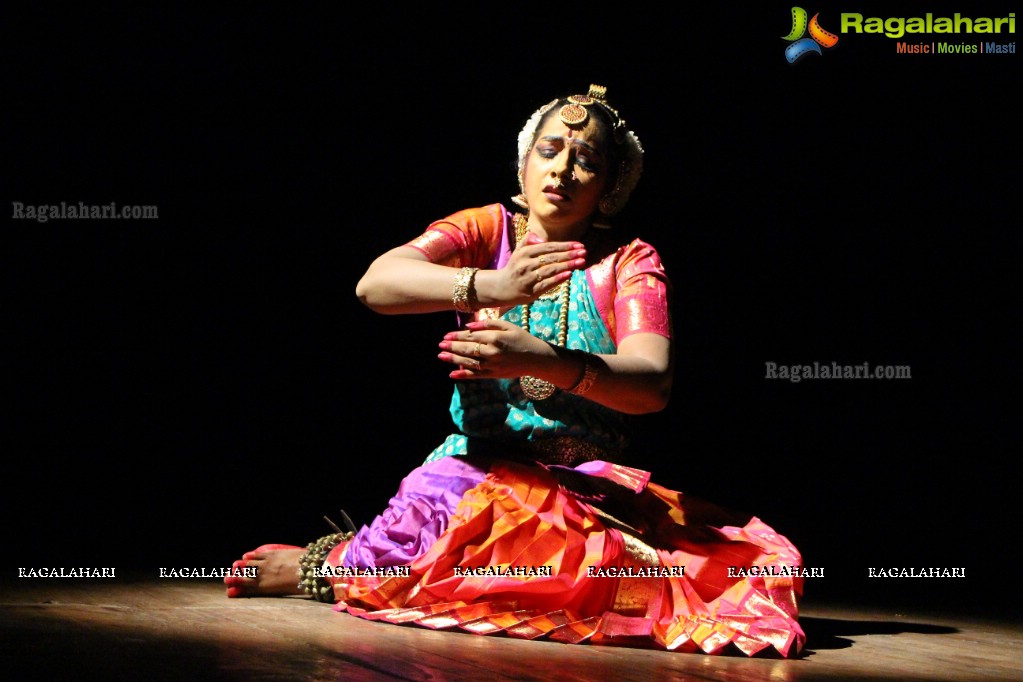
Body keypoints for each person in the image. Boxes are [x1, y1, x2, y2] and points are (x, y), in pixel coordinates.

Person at [225, 85, 805, 657]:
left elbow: (652, 383)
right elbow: (375, 285)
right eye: (550, 150)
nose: (564, 169)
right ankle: (331, 563)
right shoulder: (487, 232)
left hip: (585, 494)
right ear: (525, 162)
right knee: (473, 526)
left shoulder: (630, 260)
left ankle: (361, 564)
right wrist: (492, 284)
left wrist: (541, 362)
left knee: (690, 577)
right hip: (470, 480)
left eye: (588, 161)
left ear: (610, 186)